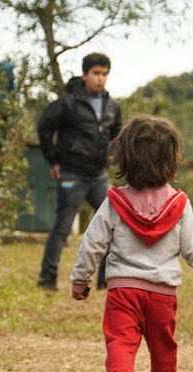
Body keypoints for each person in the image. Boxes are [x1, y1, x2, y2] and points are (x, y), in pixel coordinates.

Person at [70, 116, 193, 372]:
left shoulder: (114, 201)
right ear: (172, 160)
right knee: (164, 346)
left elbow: (91, 244)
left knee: (120, 343)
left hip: (123, 291)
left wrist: (81, 280)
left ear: (125, 157)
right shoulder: (179, 204)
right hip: (163, 294)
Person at [36, 53, 122, 291]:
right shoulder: (68, 102)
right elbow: (44, 127)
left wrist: (113, 153)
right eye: (96, 73)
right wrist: (53, 161)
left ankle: (106, 280)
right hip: (71, 173)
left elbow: (118, 133)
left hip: (98, 176)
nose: (100, 79)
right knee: (62, 227)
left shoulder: (112, 105)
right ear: (85, 74)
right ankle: (47, 279)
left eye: (104, 74)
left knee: (115, 224)